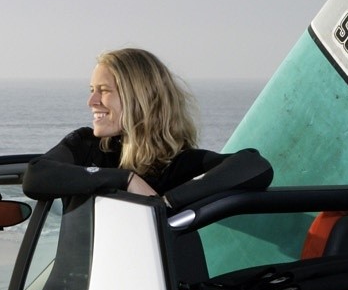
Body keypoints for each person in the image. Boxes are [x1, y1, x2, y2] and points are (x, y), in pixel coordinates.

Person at [27, 48, 223, 197]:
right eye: (92, 90)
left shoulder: (181, 164)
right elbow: (35, 175)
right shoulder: (86, 146)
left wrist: (170, 203)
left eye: (104, 90)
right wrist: (125, 179)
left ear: (139, 97)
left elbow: (242, 166)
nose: (91, 101)